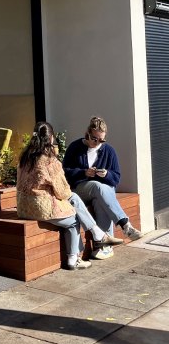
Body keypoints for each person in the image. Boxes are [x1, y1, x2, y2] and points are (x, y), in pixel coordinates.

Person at [17, 121, 120, 270]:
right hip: (42, 208)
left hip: (23, 206)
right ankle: (74, 259)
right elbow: (63, 192)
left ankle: (98, 235)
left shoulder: (24, 158)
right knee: (73, 219)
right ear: (51, 139)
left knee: (74, 199)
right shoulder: (50, 162)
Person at [63, 115, 142, 260]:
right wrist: (83, 172)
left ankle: (105, 247)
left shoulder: (109, 151)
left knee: (100, 198)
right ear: (87, 134)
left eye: (102, 140)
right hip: (80, 189)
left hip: (103, 191)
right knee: (97, 187)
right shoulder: (75, 147)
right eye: (95, 139)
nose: (98, 142)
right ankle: (125, 225)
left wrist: (106, 174)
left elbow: (116, 178)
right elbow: (64, 173)